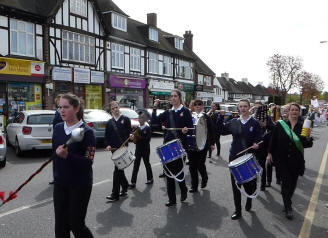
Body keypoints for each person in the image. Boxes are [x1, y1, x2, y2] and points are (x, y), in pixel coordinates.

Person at [52, 93, 96, 238]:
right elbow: (55, 156)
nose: (62, 111)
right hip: (60, 184)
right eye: (60, 107)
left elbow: (88, 161)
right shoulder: (58, 128)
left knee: (76, 224)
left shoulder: (87, 132)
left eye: (66, 107)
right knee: (60, 226)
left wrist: (68, 156)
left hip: (80, 185)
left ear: (76, 109)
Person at [217, 99, 262, 220]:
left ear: (249, 107)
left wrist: (257, 144)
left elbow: (259, 139)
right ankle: (238, 210)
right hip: (235, 157)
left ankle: (249, 199)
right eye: (241, 106)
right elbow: (222, 131)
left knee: (249, 184)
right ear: (238, 108)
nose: (243, 109)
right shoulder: (233, 122)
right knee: (236, 185)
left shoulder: (255, 123)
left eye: (245, 106)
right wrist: (221, 118)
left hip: (249, 157)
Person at [267, 103, 313, 220]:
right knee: (286, 183)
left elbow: (307, 145)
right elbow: (273, 140)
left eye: (296, 110)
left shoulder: (303, 127)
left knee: (292, 184)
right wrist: (269, 153)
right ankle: (288, 207)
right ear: (288, 112)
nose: (294, 112)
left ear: (299, 113)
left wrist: (308, 137)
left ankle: (287, 200)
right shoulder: (280, 125)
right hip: (281, 160)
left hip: (296, 160)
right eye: (292, 110)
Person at [151, 89, 193, 207]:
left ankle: (183, 189)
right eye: (171, 96)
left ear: (179, 97)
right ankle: (172, 199)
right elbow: (154, 123)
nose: (173, 98)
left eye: (175, 96)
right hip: (167, 146)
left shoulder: (185, 111)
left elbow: (190, 129)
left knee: (178, 171)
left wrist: (186, 130)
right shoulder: (168, 112)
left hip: (180, 146)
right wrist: (154, 107)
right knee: (168, 173)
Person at [105, 101, 133, 202]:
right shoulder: (109, 122)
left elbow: (130, 132)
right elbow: (106, 136)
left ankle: (115, 194)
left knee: (117, 170)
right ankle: (125, 186)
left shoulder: (125, 119)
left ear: (119, 107)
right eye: (113, 108)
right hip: (114, 149)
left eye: (116, 107)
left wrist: (131, 136)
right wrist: (107, 145)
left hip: (123, 149)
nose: (115, 110)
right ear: (110, 110)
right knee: (119, 169)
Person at [188, 99, 215, 193]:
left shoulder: (206, 117)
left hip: (203, 145)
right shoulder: (190, 116)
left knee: (200, 165)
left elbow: (211, 131)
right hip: (191, 145)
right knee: (192, 166)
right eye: (195, 105)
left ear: (202, 106)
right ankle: (194, 186)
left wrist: (212, 143)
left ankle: (204, 178)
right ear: (193, 106)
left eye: (199, 104)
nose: (197, 106)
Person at [252, 102, 275, 191]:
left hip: (263, 145)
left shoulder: (267, 118)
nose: (257, 109)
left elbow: (273, 128)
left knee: (262, 165)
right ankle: (254, 183)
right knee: (253, 165)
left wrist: (266, 125)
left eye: (258, 108)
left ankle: (263, 184)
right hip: (254, 145)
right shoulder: (252, 118)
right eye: (256, 108)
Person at [129, 112, 153, 189]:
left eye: (142, 118)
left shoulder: (147, 128)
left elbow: (148, 139)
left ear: (145, 119)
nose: (140, 119)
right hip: (138, 149)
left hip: (145, 149)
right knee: (136, 165)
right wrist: (133, 138)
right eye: (139, 118)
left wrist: (139, 137)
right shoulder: (137, 128)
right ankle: (133, 182)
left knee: (147, 164)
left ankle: (150, 178)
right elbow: (135, 141)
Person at [49, 94, 64, 185]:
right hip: (56, 137)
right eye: (57, 101)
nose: (57, 102)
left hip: (62, 138)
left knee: (61, 159)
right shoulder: (57, 111)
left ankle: (61, 177)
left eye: (59, 100)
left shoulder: (63, 112)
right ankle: (56, 177)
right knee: (55, 159)